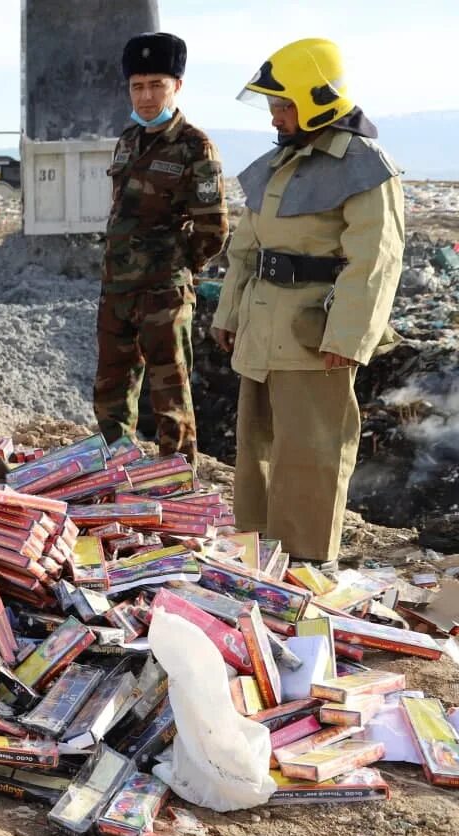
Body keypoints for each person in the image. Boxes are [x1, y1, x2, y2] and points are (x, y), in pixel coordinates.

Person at [211, 38, 404, 566]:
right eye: (272, 105)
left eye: (283, 104)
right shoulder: (277, 164)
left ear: (316, 97)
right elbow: (246, 249)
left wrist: (349, 337)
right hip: (260, 329)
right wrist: (228, 315)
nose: (274, 116)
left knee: (311, 455)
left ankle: (306, 567)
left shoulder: (365, 165)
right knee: (255, 454)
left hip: (313, 338)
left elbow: (377, 259)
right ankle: (254, 563)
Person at [94, 32, 228, 464]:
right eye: (138, 86)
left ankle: (178, 479)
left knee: (170, 393)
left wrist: (173, 264)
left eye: (156, 85)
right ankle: (117, 467)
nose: (147, 96)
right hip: (117, 288)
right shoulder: (129, 139)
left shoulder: (195, 146)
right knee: (112, 387)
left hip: (163, 292)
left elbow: (213, 229)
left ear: (177, 86)